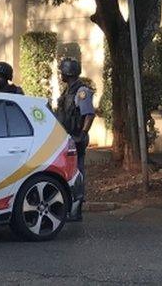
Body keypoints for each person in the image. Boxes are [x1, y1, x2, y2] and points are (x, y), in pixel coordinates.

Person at [55, 58, 94, 221]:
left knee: (77, 172)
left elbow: (89, 114)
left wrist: (82, 134)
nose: (61, 74)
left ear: (68, 73)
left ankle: (77, 210)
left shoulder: (81, 91)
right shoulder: (68, 91)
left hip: (76, 137)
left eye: (62, 72)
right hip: (67, 137)